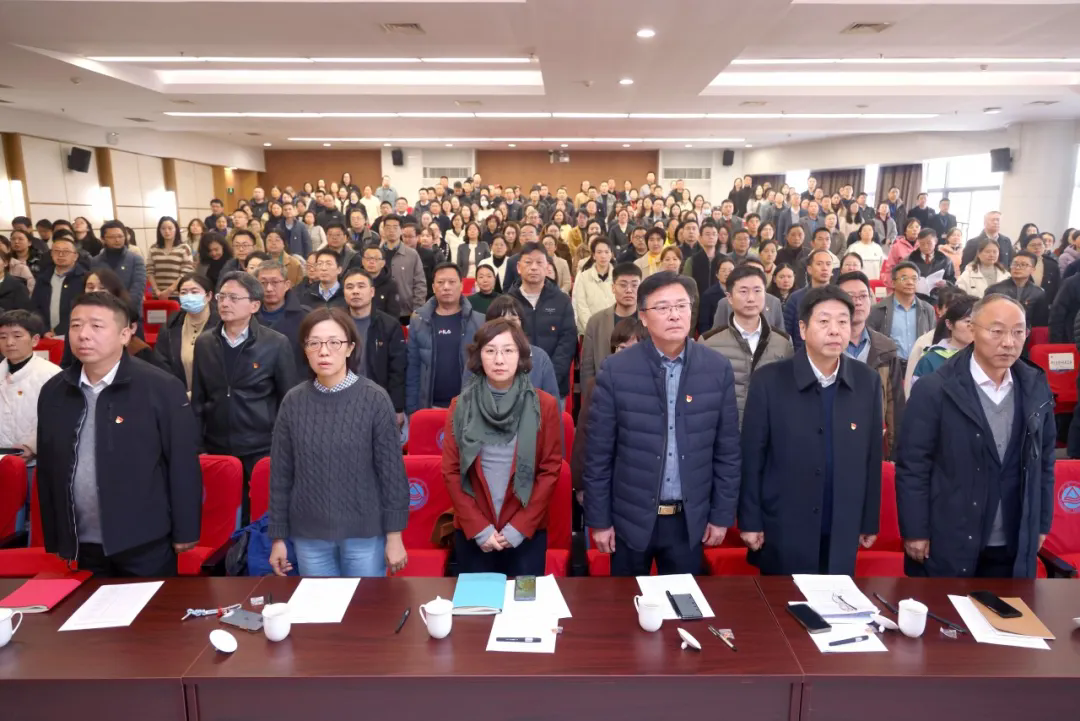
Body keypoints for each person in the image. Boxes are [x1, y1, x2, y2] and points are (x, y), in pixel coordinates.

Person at [584, 271, 740, 575]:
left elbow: (727, 452)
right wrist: (600, 521)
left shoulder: (716, 368)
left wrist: (721, 515)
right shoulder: (616, 370)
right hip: (630, 517)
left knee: (684, 601)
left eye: (682, 306)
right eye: (663, 307)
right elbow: (599, 454)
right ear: (643, 317)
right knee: (625, 600)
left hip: (688, 521)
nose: (674, 315)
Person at [37, 292, 202, 576]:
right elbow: (48, 467)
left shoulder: (161, 388)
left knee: (151, 606)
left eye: (96, 326)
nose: (83, 334)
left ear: (125, 334)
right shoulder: (54, 390)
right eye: (75, 325)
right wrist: (56, 535)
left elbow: (182, 463)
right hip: (82, 541)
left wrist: (186, 530)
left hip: (144, 540)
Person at [898, 294, 1054, 578]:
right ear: (972, 329)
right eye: (997, 331)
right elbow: (913, 465)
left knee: (1010, 607)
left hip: (1014, 539)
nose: (1009, 342)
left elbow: (1044, 461)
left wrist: (1041, 523)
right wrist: (916, 530)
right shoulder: (935, 389)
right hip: (951, 535)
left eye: (1018, 332)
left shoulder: (1035, 386)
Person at [739, 286, 883, 575]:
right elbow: (752, 457)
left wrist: (869, 520)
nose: (835, 331)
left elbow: (872, 456)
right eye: (824, 321)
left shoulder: (867, 381)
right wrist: (750, 520)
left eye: (843, 322)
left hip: (842, 523)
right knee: (783, 599)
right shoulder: (769, 381)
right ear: (803, 329)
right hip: (784, 523)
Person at [268, 307, 409, 577]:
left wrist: (394, 536)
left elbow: (392, 475)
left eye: (334, 343)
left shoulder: (375, 399)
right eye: (314, 343)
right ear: (305, 349)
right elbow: (281, 475)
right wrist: (278, 538)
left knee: (365, 603)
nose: (324, 352)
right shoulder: (293, 402)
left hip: (364, 535)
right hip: (310, 536)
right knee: (319, 605)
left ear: (349, 348)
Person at [441, 318, 562, 576]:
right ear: (478, 357)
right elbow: (451, 471)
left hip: (526, 532)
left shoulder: (545, 405)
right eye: (490, 351)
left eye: (508, 350)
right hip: (476, 534)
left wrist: (519, 527)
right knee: (478, 602)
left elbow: (550, 470)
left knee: (525, 601)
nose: (499, 360)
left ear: (521, 356)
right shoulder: (460, 406)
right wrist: (479, 529)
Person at [191, 271, 298, 524]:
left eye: (234, 298)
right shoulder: (205, 343)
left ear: (254, 305)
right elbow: (198, 400)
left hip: (260, 448)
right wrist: (198, 447)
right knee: (221, 519)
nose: (225, 303)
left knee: (260, 518)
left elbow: (288, 401)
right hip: (217, 447)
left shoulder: (276, 344)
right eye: (222, 297)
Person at [703, 265, 793, 425]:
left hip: (769, 429)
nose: (751, 298)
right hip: (726, 429)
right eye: (743, 291)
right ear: (729, 297)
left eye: (757, 291)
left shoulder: (783, 342)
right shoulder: (709, 342)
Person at [572, 318, 647, 497]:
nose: (627, 356)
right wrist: (580, 485)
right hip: (604, 481)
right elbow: (584, 437)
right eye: (622, 348)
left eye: (635, 349)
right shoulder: (597, 386)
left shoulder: (654, 388)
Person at [838, 271, 907, 459]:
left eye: (863, 296)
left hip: (872, 440)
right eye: (850, 297)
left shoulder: (885, 347)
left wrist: (894, 454)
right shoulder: (827, 345)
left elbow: (894, 404)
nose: (858, 302)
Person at [406, 262, 484, 416]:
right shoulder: (419, 320)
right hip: (429, 406)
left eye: (452, 282)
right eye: (440, 282)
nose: (446, 287)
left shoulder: (479, 321)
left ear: (461, 286)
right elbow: (413, 367)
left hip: (468, 409)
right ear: (433, 287)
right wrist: (412, 409)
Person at [508, 243, 577, 404]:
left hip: (554, 387)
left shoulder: (562, 301)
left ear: (547, 268)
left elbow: (567, 343)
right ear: (518, 267)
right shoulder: (508, 302)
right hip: (514, 387)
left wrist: (549, 378)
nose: (534, 267)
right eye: (528, 262)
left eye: (539, 262)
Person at [341, 268, 406, 427]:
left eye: (361, 286)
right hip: (341, 400)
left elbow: (397, 370)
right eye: (349, 287)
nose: (355, 291)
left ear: (372, 292)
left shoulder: (389, 325)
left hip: (378, 402)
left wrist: (397, 408)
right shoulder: (336, 324)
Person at [0, 310, 61, 461]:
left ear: (34, 340)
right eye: (3, 337)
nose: (9, 342)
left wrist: (32, 447)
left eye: (17, 336)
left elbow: (57, 419)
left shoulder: (52, 374)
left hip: (36, 461)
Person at [581, 262, 641, 389]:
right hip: (605, 390)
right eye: (623, 285)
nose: (629, 290)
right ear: (613, 288)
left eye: (634, 285)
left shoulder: (650, 320)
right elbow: (587, 367)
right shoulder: (596, 322)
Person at [154, 273, 217, 392]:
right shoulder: (171, 324)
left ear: (208, 296)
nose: (189, 296)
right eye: (183, 293)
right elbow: (161, 363)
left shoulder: (222, 325)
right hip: (178, 395)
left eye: (194, 292)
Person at [867, 261, 935, 363]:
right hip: (889, 365)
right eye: (904, 278)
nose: (910, 282)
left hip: (919, 365)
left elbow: (933, 340)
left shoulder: (928, 310)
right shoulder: (878, 309)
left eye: (914, 279)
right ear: (893, 282)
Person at [911, 293, 977, 384]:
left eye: (977, 322)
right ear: (949, 324)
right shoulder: (931, 360)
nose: (973, 327)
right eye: (968, 321)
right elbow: (919, 390)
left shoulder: (987, 357)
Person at [30, 235, 87, 338]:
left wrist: (59, 330)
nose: (60, 255)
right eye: (56, 251)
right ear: (51, 254)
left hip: (76, 333)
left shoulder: (84, 279)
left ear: (75, 256)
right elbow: (35, 308)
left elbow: (82, 309)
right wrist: (44, 330)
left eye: (66, 251)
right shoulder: (43, 278)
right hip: (46, 335)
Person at [255, 260, 310, 365]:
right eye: (263, 283)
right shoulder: (248, 316)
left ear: (287, 285)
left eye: (275, 282)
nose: (269, 288)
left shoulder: (304, 317)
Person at [981, 250, 1049, 328]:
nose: (1017, 267)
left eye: (1023, 265)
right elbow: (985, 316)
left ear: (1032, 270)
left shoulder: (1038, 293)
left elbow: (1039, 323)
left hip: (1025, 332)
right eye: (1015, 264)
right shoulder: (994, 290)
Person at [783, 249, 835, 351]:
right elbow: (786, 334)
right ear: (809, 269)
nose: (824, 268)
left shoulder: (839, 298)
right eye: (819, 264)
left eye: (828, 264)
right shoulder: (795, 298)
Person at [572, 237, 616, 336]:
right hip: (590, 332)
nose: (603, 256)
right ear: (593, 255)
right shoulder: (583, 276)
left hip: (614, 331)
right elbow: (582, 306)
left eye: (606, 252)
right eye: (599, 252)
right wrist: (593, 329)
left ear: (611, 254)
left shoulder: (618, 276)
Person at [147, 216, 194, 300]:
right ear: (159, 230)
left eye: (170, 228)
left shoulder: (184, 248)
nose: (167, 231)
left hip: (178, 295)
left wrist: (169, 290)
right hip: (158, 295)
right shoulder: (153, 248)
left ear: (176, 229)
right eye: (163, 228)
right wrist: (156, 290)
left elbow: (186, 273)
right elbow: (149, 271)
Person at [1021, 232, 1061, 306]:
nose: (1037, 248)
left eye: (1040, 245)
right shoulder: (1019, 263)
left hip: (1045, 305)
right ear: (1025, 248)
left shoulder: (1052, 265)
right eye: (1033, 245)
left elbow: (1057, 288)